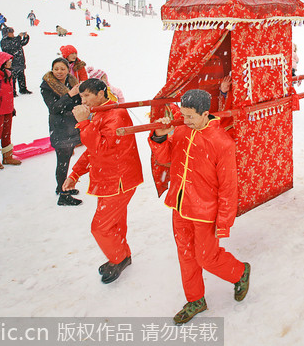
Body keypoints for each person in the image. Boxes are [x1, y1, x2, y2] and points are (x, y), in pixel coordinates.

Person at [149, 89, 251, 325]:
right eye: (183, 115)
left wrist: (224, 222)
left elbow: (228, 187)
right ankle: (195, 300)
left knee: (207, 257)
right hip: (179, 205)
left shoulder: (222, 143)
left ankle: (239, 271)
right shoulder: (182, 131)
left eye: (190, 116)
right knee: (186, 256)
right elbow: (165, 159)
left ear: (205, 113)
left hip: (206, 211)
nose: (185, 121)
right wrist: (160, 138)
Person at [62, 78, 143, 283]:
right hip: (109, 179)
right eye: (81, 96)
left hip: (118, 180)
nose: (83, 100)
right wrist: (75, 174)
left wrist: (83, 123)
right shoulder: (100, 113)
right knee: (114, 223)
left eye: (87, 95)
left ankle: (118, 258)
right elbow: (92, 150)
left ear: (101, 93)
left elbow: (101, 148)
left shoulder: (115, 115)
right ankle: (122, 255)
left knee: (100, 227)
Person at [40, 57, 83, 206]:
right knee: (62, 161)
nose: (59, 72)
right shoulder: (47, 86)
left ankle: (62, 187)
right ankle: (63, 195)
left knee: (67, 157)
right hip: (60, 126)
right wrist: (70, 95)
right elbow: (54, 108)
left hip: (72, 124)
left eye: (62, 69)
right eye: (56, 69)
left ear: (68, 70)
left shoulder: (72, 82)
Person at [0, 28, 31, 95]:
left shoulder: (15, 39)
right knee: (12, 78)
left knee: (21, 76)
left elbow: (23, 43)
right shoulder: (4, 41)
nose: (12, 34)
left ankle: (23, 89)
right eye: (10, 33)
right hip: (11, 63)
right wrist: (19, 37)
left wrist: (26, 37)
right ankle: (12, 91)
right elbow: (13, 46)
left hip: (20, 61)